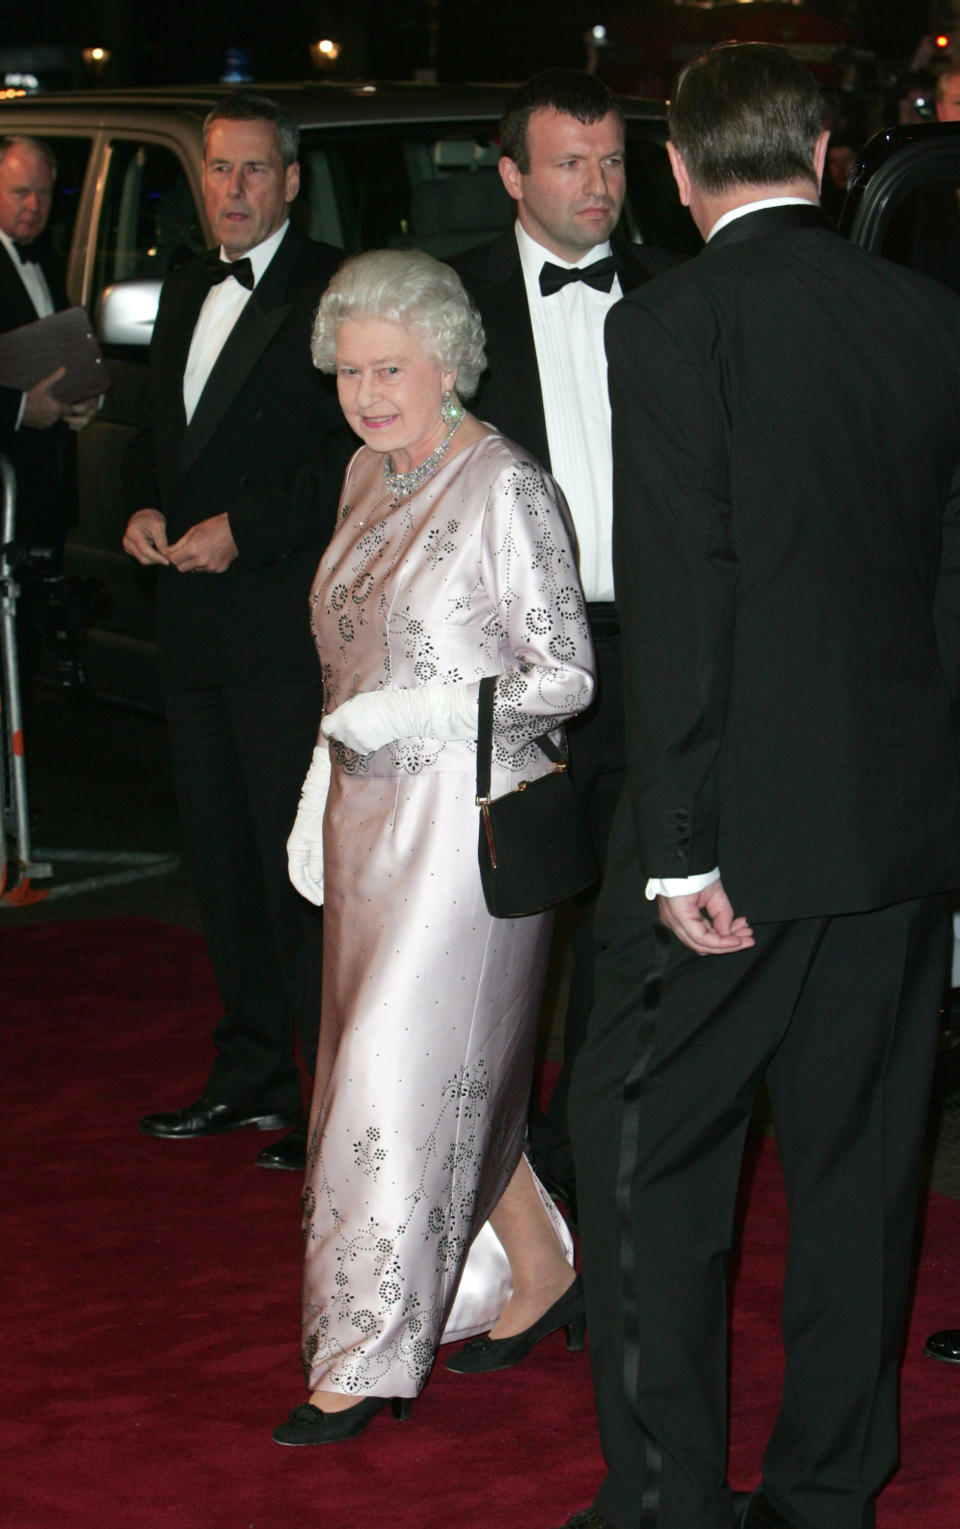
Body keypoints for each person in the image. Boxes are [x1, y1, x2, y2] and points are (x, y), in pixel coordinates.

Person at [563, 42, 960, 1529]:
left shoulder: (676, 323)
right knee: (861, 1171)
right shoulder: (931, 321)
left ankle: (666, 1499)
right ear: (823, 153)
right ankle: (829, 1493)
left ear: (677, 171)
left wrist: (672, 845)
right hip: (898, 830)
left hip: (729, 840)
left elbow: (686, 592)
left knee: (646, 1151)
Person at [272, 248, 595, 1446]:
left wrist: (423, 714)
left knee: (385, 1078)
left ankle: (359, 1354)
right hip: (365, 823)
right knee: (431, 1070)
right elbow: (346, 654)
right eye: (349, 369)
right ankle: (540, 1262)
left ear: (448, 360)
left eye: (390, 366)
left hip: (465, 827)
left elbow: (565, 674)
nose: (366, 392)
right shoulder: (367, 472)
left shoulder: (502, 482)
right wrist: (323, 779)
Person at [454, 68, 678, 1219]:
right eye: (569, 163)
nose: (599, 186)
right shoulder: (458, 307)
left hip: (651, 657)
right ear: (511, 176)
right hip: (510, 667)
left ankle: (581, 1160)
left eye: (614, 161)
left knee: (630, 936)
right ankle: (481, 1184)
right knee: (503, 933)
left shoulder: (681, 294)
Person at [122, 93, 350, 1171]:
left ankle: (328, 1096)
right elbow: (160, 431)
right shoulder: (181, 283)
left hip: (280, 626)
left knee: (292, 871)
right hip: (191, 627)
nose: (235, 190)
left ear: (291, 180)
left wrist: (245, 531)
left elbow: (354, 461)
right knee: (218, 863)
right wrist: (141, 505)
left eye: (256, 171)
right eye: (220, 170)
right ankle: (252, 1073)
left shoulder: (330, 291)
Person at [0, 136, 99, 712]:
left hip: (42, 502)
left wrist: (82, 401)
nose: (33, 205)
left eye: (42, 193)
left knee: (26, 658)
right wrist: (18, 409)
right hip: (5, 499)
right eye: (19, 191)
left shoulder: (48, 257)